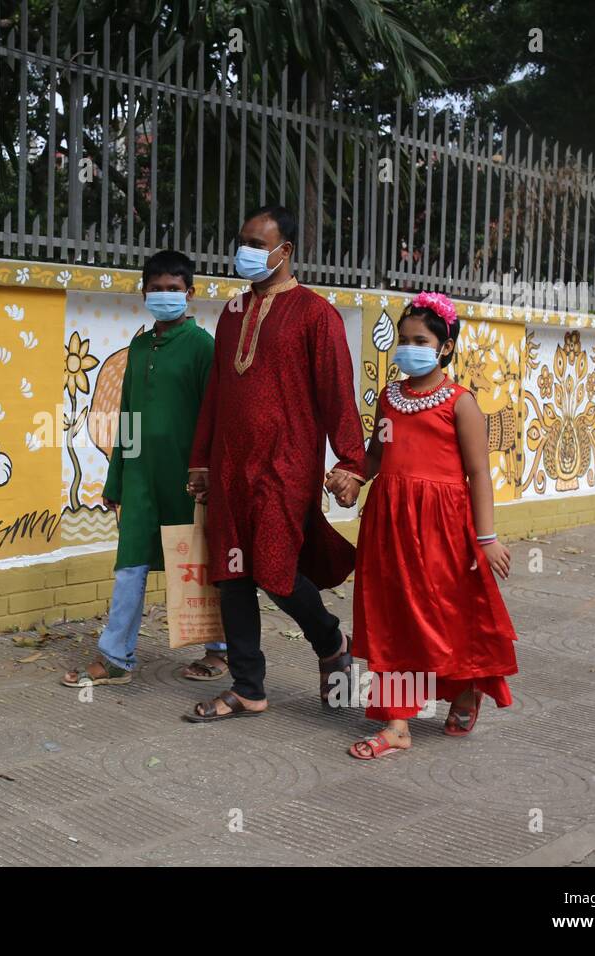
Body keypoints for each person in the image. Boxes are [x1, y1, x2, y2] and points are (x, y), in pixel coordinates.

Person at [183, 206, 366, 722]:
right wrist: (202, 461)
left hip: (286, 466)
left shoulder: (315, 314)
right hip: (229, 467)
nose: (247, 252)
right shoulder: (233, 311)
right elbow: (216, 393)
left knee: (274, 570)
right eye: (242, 241)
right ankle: (247, 687)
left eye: (258, 244)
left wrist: (351, 462)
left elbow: (337, 394)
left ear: (286, 251)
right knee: (232, 574)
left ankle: (330, 640)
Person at [334, 291, 518, 759]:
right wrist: (355, 477)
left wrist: (487, 538)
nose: (408, 347)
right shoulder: (390, 400)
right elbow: (378, 455)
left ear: (445, 348)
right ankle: (396, 723)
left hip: (442, 528)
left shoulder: (461, 404)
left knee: (443, 616)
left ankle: (464, 687)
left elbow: (479, 474)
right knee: (392, 616)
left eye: (420, 340)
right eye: (403, 339)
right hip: (388, 523)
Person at [62, 250, 228, 687]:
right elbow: (128, 417)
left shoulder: (203, 347)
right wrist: (116, 478)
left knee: (200, 564)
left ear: (190, 294)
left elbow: (216, 417)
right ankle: (116, 658)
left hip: (190, 481)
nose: (164, 296)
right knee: (130, 565)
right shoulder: (137, 346)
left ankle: (221, 651)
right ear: (143, 293)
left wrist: (207, 471)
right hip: (138, 481)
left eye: (173, 290)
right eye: (156, 289)